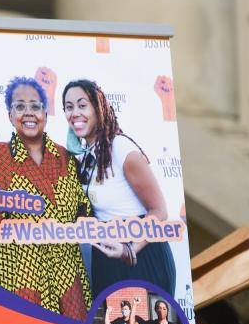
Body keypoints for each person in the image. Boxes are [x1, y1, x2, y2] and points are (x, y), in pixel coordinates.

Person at [0, 77, 92, 320]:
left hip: (67, 277)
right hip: (18, 275)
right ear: (10, 115)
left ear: (46, 114)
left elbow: (83, 215)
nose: (29, 112)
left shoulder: (67, 159)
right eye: (20, 106)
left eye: (36, 106)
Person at [62, 79, 175, 296]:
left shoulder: (121, 148)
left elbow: (159, 211)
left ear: (98, 108)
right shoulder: (86, 156)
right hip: (107, 259)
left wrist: (130, 249)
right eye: (69, 107)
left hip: (140, 257)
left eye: (82, 105)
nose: (75, 112)